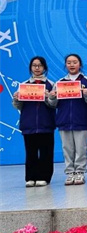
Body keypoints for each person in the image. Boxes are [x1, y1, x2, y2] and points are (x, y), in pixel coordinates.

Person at [48, 54, 87, 185]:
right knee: (67, 149)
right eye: (69, 62)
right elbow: (52, 104)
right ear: (65, 65)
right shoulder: (60, 82)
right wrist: (52, 97)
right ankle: (70, 173)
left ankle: (80, 172)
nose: (72, 65)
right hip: (64, 121)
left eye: (75, 62)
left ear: (80, 64)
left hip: (81, 120)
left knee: (81, 148)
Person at [12, 56, 56, 187]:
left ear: (44, 67)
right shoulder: (24, 85)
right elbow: (18, 106)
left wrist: (49, 97)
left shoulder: (51, 84)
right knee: (30, 152)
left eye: (40, 65)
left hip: (46, 124)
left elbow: (54, 104)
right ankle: (30, 177)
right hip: (28, 124)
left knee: (46, 152)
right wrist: (16, 98)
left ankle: (44, 177)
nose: (37, 68)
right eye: (34, 65)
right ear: (30, 68)